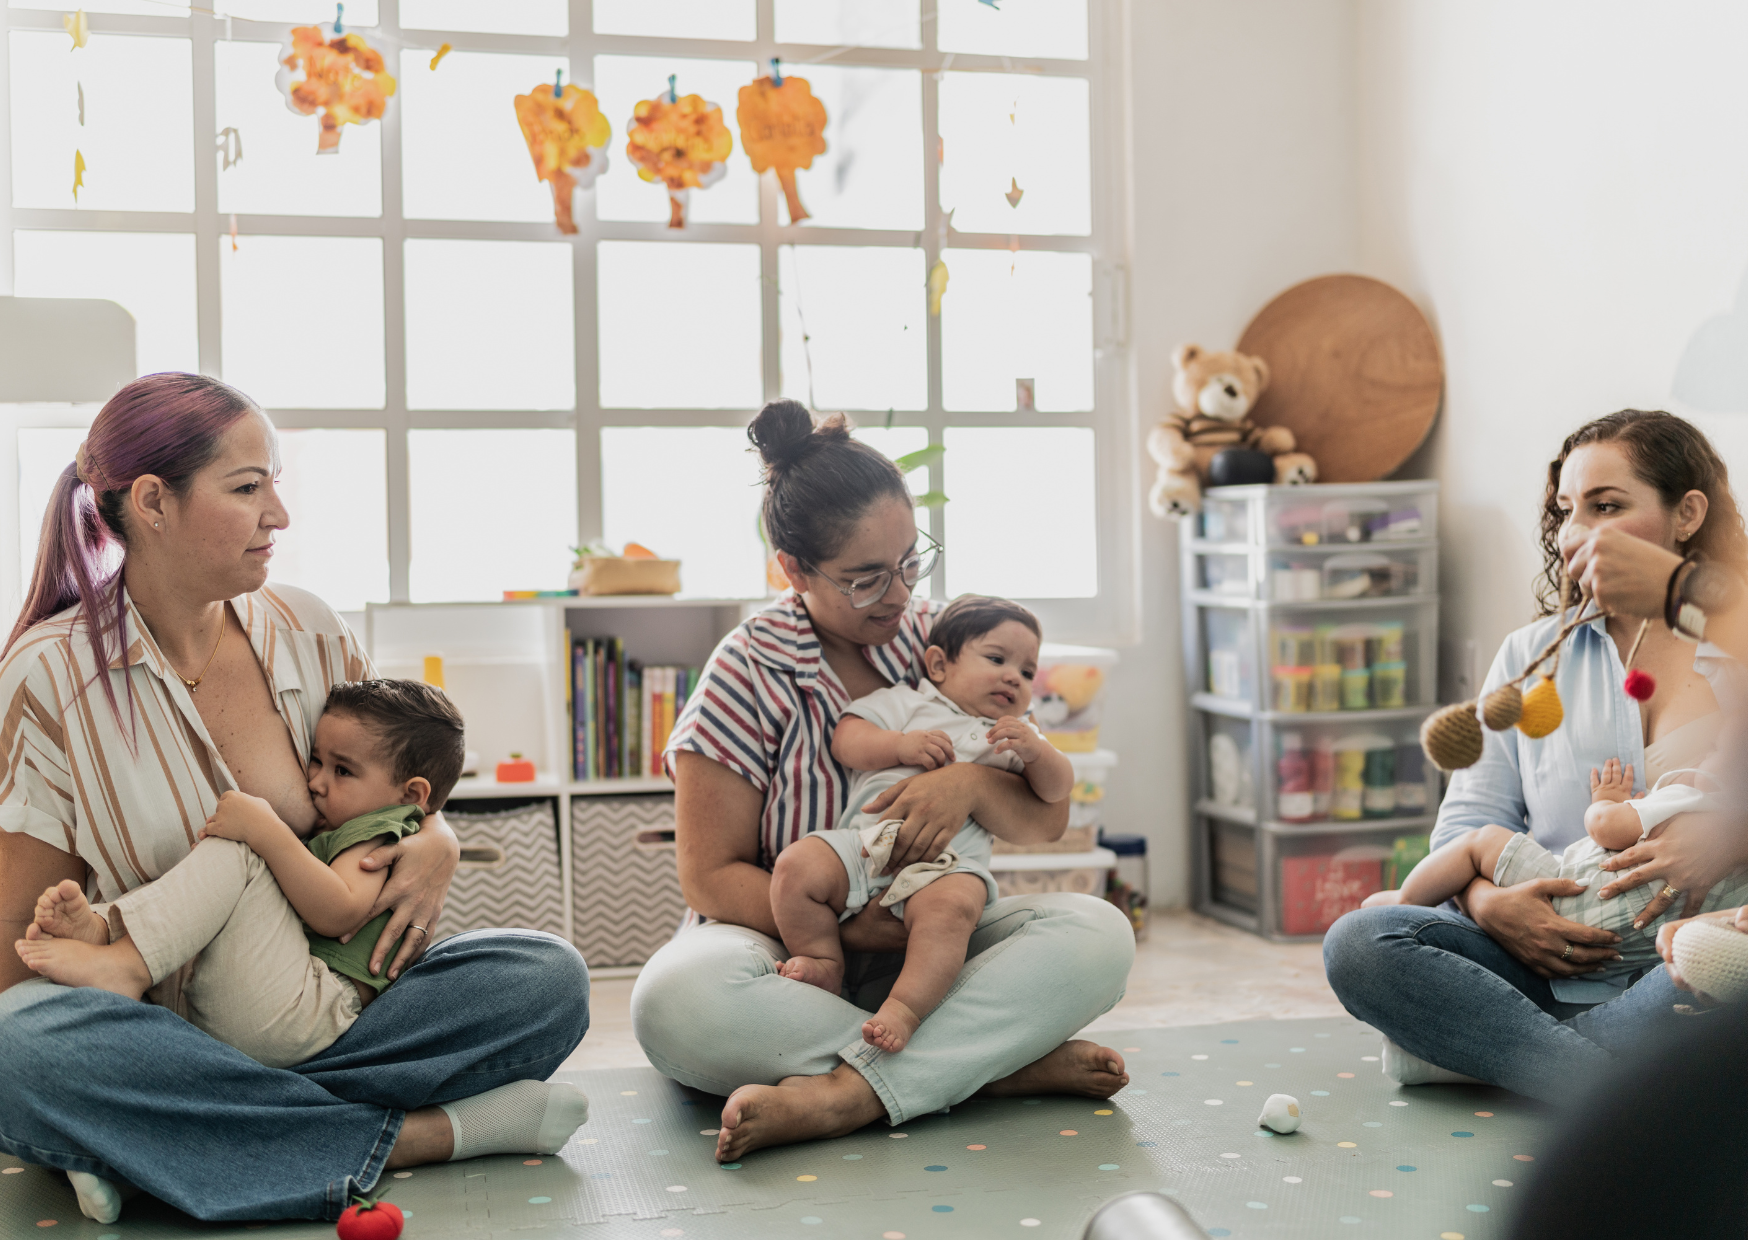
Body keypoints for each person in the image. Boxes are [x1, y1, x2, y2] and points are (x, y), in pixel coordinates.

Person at [0, 374, 590, 1224]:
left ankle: (164, 1138)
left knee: (547, 979)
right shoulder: (49, 678)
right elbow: (20, 949)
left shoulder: (311, 629)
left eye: (275, 482)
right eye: (248, 488)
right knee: (23, 1044)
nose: (280, 514)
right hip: (155, 1034)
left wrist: (438, 838)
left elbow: (397, 781)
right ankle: (425, 1134)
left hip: (327, 1015)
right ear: (154, 503)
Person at [630, 400, 1135, 1164]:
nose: (899, 596)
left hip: (934, 933)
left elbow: (1039, 824)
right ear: (793, 570)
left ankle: (849, 1094)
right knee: (674, 1005)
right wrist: (843, 932)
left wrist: (964, 786)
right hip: (789, 944)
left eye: (909, 561)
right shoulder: (746, 669)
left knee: (1100, 934)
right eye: (867, 579)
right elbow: (707, 876)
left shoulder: (945, 643)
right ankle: (988, 1065)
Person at [1324, 410, 1748, 1100]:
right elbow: (1466, 828)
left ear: (1687, 514)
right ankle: (1608, 1088)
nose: (1579, 532)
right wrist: (1492, 905)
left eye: (1607, 507)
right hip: (1536, 958)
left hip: (1685, 961)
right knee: (1361, 942)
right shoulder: (1530, 659)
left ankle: (1500, 1054)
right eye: (1568, 511)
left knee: (1725, 970)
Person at [772, 594, 1074, 1054]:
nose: (1014, 676)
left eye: (1028, 672)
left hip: (947, 869)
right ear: (938, 665)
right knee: (796, 867)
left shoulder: (1015, 735)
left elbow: (1055, 794)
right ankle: (822, 959)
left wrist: (1038, 752)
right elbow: (847, 739)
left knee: (952, 912)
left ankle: (905, 1010)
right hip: (864, 846)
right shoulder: (907, 704)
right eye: (996, 659)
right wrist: (899, 747)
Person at [1365, 757, 1747, 985]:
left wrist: (1608, 802)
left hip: (1568, 890)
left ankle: (1404, 899)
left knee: (1480, 842)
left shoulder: (1693, 801)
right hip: (1610, 953)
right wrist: (1485, 903)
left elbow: (1606, 828)